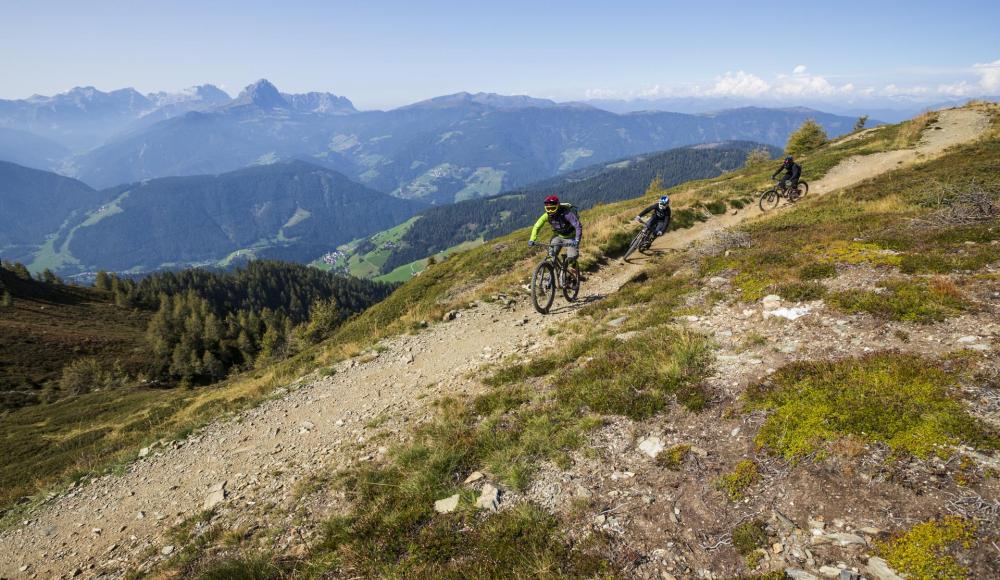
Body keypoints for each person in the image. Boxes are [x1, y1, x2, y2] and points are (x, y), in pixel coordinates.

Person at [528, 195, 582, 276]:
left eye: (552, 208)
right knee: (551, 255)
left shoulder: (566, 214)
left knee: (572, 256)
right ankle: (552, 275)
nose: (550, 211)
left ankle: (573, 267)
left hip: (571, 237)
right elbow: (537, 226)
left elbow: (577, 226)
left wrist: (577, 240)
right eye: (548, 209)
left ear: (557, 206)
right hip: (558, 236)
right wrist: (532, 239)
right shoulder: (546, 215)